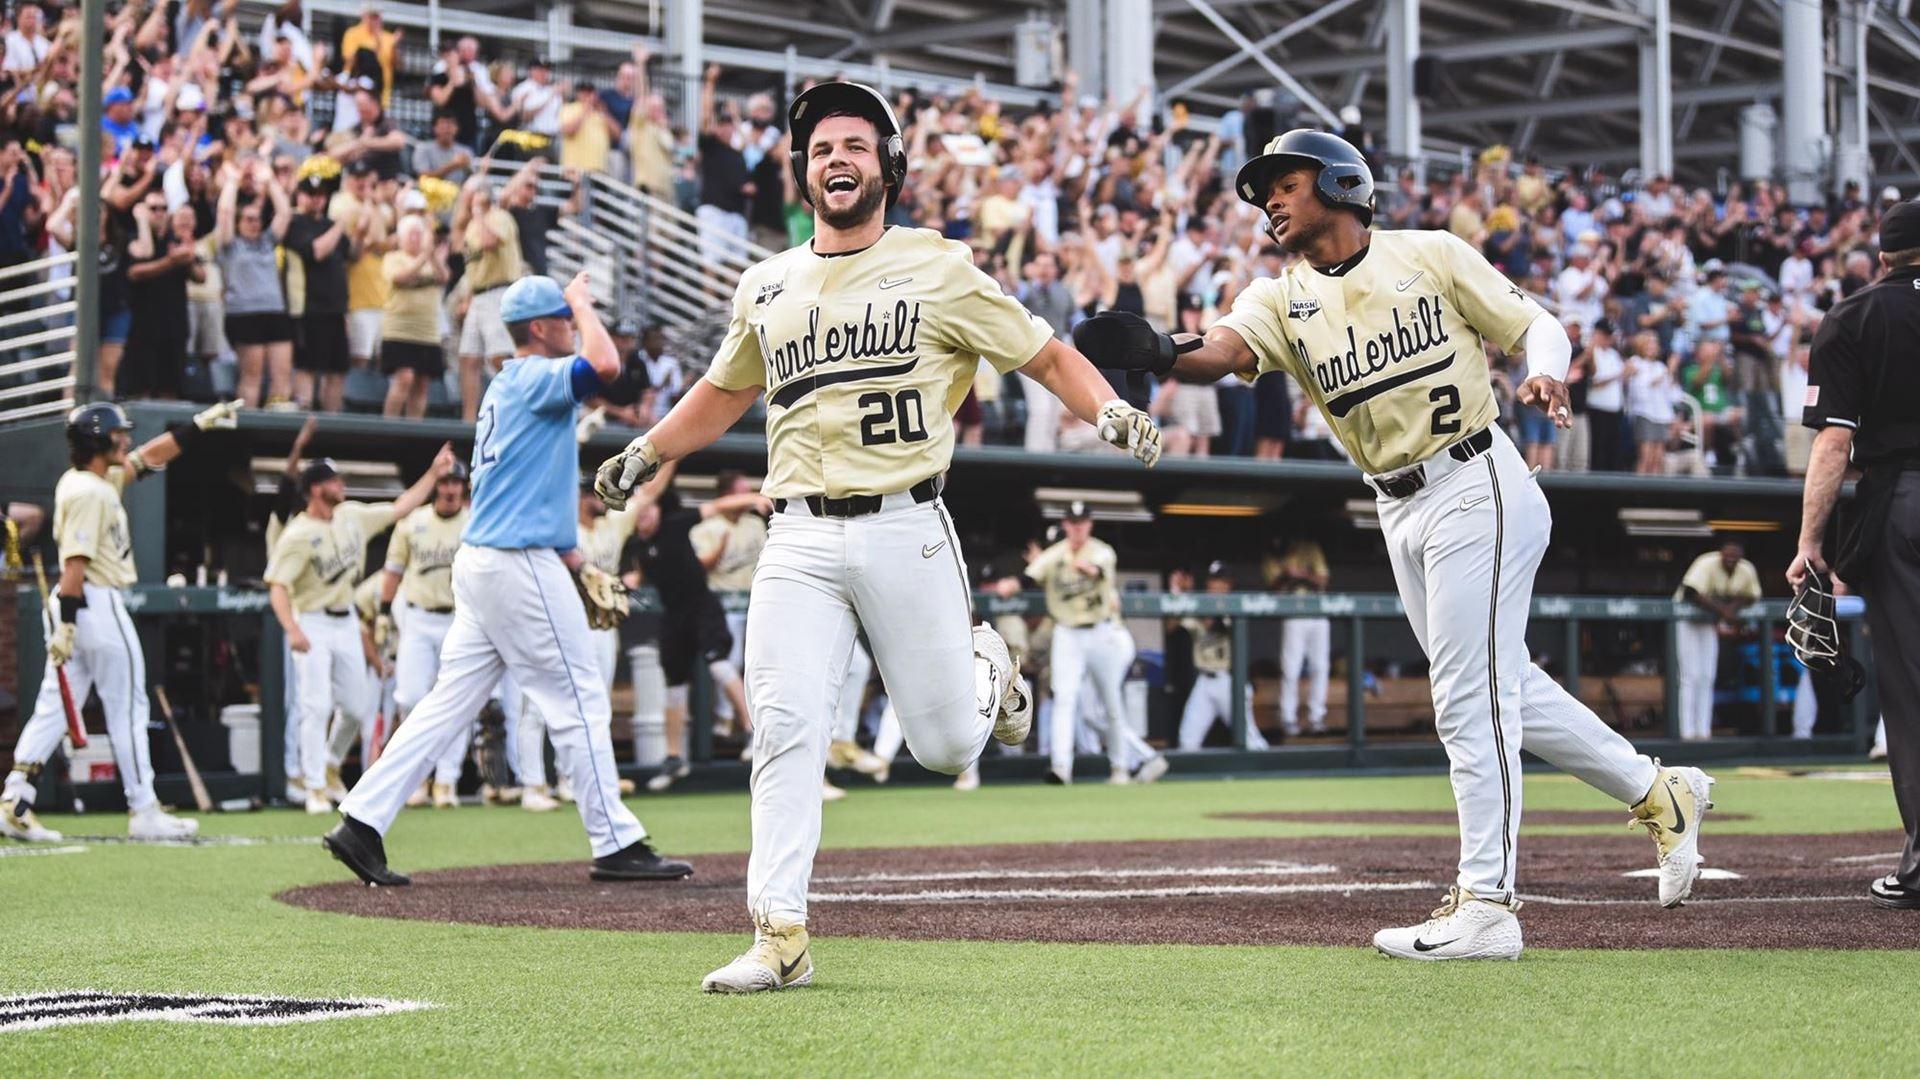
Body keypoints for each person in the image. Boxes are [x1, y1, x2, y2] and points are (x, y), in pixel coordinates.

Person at [1076, 128, 1714, 960]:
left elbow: (1537, 324)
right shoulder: (1279, 297)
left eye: (1285, 182)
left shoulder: (1429, 254)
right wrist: (1162, 352)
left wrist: (1548, 370)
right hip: (1397, 505)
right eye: (1263, 188)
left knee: (1464, 694)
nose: (1269, 198)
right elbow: (1224, 348)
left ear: (1341, 183)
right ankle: (1659, 791)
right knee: (1501, 682)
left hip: (1475, 476)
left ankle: (1489, 902)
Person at [593, 81, 1161, 993]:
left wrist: (1107, 411)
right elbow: (727, 389)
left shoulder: (940, 267)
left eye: (854, 145)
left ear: (888, 165)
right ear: (802, 171)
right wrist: (649, 448)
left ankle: (990, 669)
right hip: (798, 535)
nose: (837, 161)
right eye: (821, 150)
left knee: (943, 748)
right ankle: (780, 932)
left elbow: (1045, 352)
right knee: (782, 724)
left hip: (907, 522)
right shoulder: (766, 281)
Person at [324, 272, 692, 888]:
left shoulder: (509, 386)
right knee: (578, 694)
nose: (573, 327)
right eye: (565, 320)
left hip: (493, 559)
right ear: (544, 327)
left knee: (448, 704)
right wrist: (579, 298)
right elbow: (605, 366)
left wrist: (577, 566)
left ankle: (361, 820)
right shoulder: (531, 376)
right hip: (515, 564)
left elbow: (529, 490)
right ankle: (616, 840)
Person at [1, 401, 238, 843]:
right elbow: (75, 562)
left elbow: (147, 458)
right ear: (97, 440)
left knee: (53, 708)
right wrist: (69, 624)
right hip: (92, 602)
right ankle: (144, 808)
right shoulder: (89, 491)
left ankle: (15, 799)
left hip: (79, 606)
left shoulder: (93, 479)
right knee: (129, 707)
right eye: (117, 433)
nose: (125, 439)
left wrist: (197, 427)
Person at [1790, 199, 1920, 910]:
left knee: (1910, 688)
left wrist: (1812, 541)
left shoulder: (1856, 316)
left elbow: (1834, 441)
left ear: (1883, 258)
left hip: (1902, 499)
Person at [269, 450, 450, 814]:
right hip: (314, 621)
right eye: (335, 481)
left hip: (347, 620)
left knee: (355, 707)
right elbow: (277, 586)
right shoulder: (298, 533)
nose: (342, 485)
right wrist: (291, 629)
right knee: (315, 706)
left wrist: (432, 474)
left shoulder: (351, 516)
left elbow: (400, 507)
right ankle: (315, 787)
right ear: (316, 489)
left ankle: (332, 765)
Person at [1007, 502, 1169, 785]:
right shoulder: (1054, 555)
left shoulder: (1101, 550)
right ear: (1066, 525)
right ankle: (1061, 768)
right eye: (1072, 522)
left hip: (1103, 632)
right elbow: (1028, 576)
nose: (1077, 527)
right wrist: (1011, 584)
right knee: (1066, 699)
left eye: (1082, 522)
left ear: (1089, 524)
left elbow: (1097, 569)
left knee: (1108, 705)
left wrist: (1083, 567)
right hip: (1068, 633)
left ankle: (1122, 768)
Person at [634, 465, 766, 792]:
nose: (644, 515)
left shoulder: (677, 523)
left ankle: (752, 731)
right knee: (674, 686)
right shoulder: (636, 543)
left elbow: (718, 506)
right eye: (639, 510)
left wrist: (753, 496)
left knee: (720, 665)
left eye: (649, 508)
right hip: (673, 617)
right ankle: (674, 757)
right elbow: (636, 578)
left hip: (702, 606)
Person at [377, 462, 472, 809]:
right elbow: (392, 572)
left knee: (458, 700)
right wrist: (384, 615)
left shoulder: (475, 521)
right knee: (410, 697)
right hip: (417, 617)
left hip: (459, 618)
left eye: (456, 483)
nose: (449, 489)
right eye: (445, 482)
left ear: (464, 486)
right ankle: (414, 781)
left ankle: (446, 781)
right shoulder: (412, 522)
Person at [215, 158, 294, 408]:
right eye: (248, 219)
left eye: (257, 219)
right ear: (239, 222)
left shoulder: (267, 242)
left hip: (274, 311)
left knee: (281, 375)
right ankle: (246, 425)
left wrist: (269, 181)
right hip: (245, 314)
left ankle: (278, 426)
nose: (254, 223)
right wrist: (234, 181)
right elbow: (225, 212)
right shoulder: (230, 245)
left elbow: (284, 213)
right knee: (253, 376)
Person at [1673, 541, 1762, 741]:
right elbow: (1691, 593)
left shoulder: (1745, 569)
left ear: (1740, 557)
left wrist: (1732, 607)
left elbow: (1751, 595)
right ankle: (1686, 732)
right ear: (1720, 554)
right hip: (1686, 618)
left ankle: (1703, 732)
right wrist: (1724, 611)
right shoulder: (1706, 562)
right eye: (1727, 555)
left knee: (1707, 676)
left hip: (1708, 622)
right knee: (1690, 676)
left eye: (1735, 556)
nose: (1730, 559)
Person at [1175, 561, 1267, 750]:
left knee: (1251, 740)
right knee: (1187, 740)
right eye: (1212, 580)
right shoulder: (1198, 605)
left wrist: (1187, 599)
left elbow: (1212, 623)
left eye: (1220, 581)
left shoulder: (1235, 605)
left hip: (1229, 682)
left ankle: (1273, 772)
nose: (1214, 585)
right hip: (1205, 681)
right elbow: (1172, 625)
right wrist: (1177, 593)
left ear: (1228, 584)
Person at [453, 177, 522, 422]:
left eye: (469, 193)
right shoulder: (472, 223)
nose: (465, 198)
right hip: (479, 295)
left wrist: (479, 213)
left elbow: (490, 242)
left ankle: (515, 410)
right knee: (468, 357)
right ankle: (469, 420)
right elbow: (461, 251)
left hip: (499, 292)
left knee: (499, 356)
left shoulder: (499, 217)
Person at [282, 174, 352, 412]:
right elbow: (316, 252)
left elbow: (351, 254)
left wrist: (360, 231)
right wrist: (340, 224)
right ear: (300, 195)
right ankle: (305, 417)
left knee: (337, 370)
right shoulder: (295, 223)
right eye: (311, 194)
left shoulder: (328, 225)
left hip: (336, 309)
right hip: (309, 309)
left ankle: (333, 424)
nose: (316, 200)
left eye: (321, 195)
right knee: (308, 368)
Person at [379, 214, 449, 418]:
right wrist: (424, 257)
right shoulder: (393, 258)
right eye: (411, 235)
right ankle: (389, 425)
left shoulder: (431, 259)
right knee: (404, 377)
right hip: (400, 329)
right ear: (400, 238)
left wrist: (433, 256)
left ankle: (414, 428)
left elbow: (444, 277)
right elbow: (400, 278)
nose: (416, 239)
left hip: (427, 331)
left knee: (422, 382)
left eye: (419, 235)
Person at [1269, 537, 1331, 737]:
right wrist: (1288, 576)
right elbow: (1274, 589)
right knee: (1291, 668)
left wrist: (1300, 574)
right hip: (1294, 614)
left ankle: (1317, 718)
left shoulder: (1310, 547)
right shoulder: (1273, 555)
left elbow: (1323, 580)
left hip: (1317, 612)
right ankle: (1288, 717)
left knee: (1320, 667)